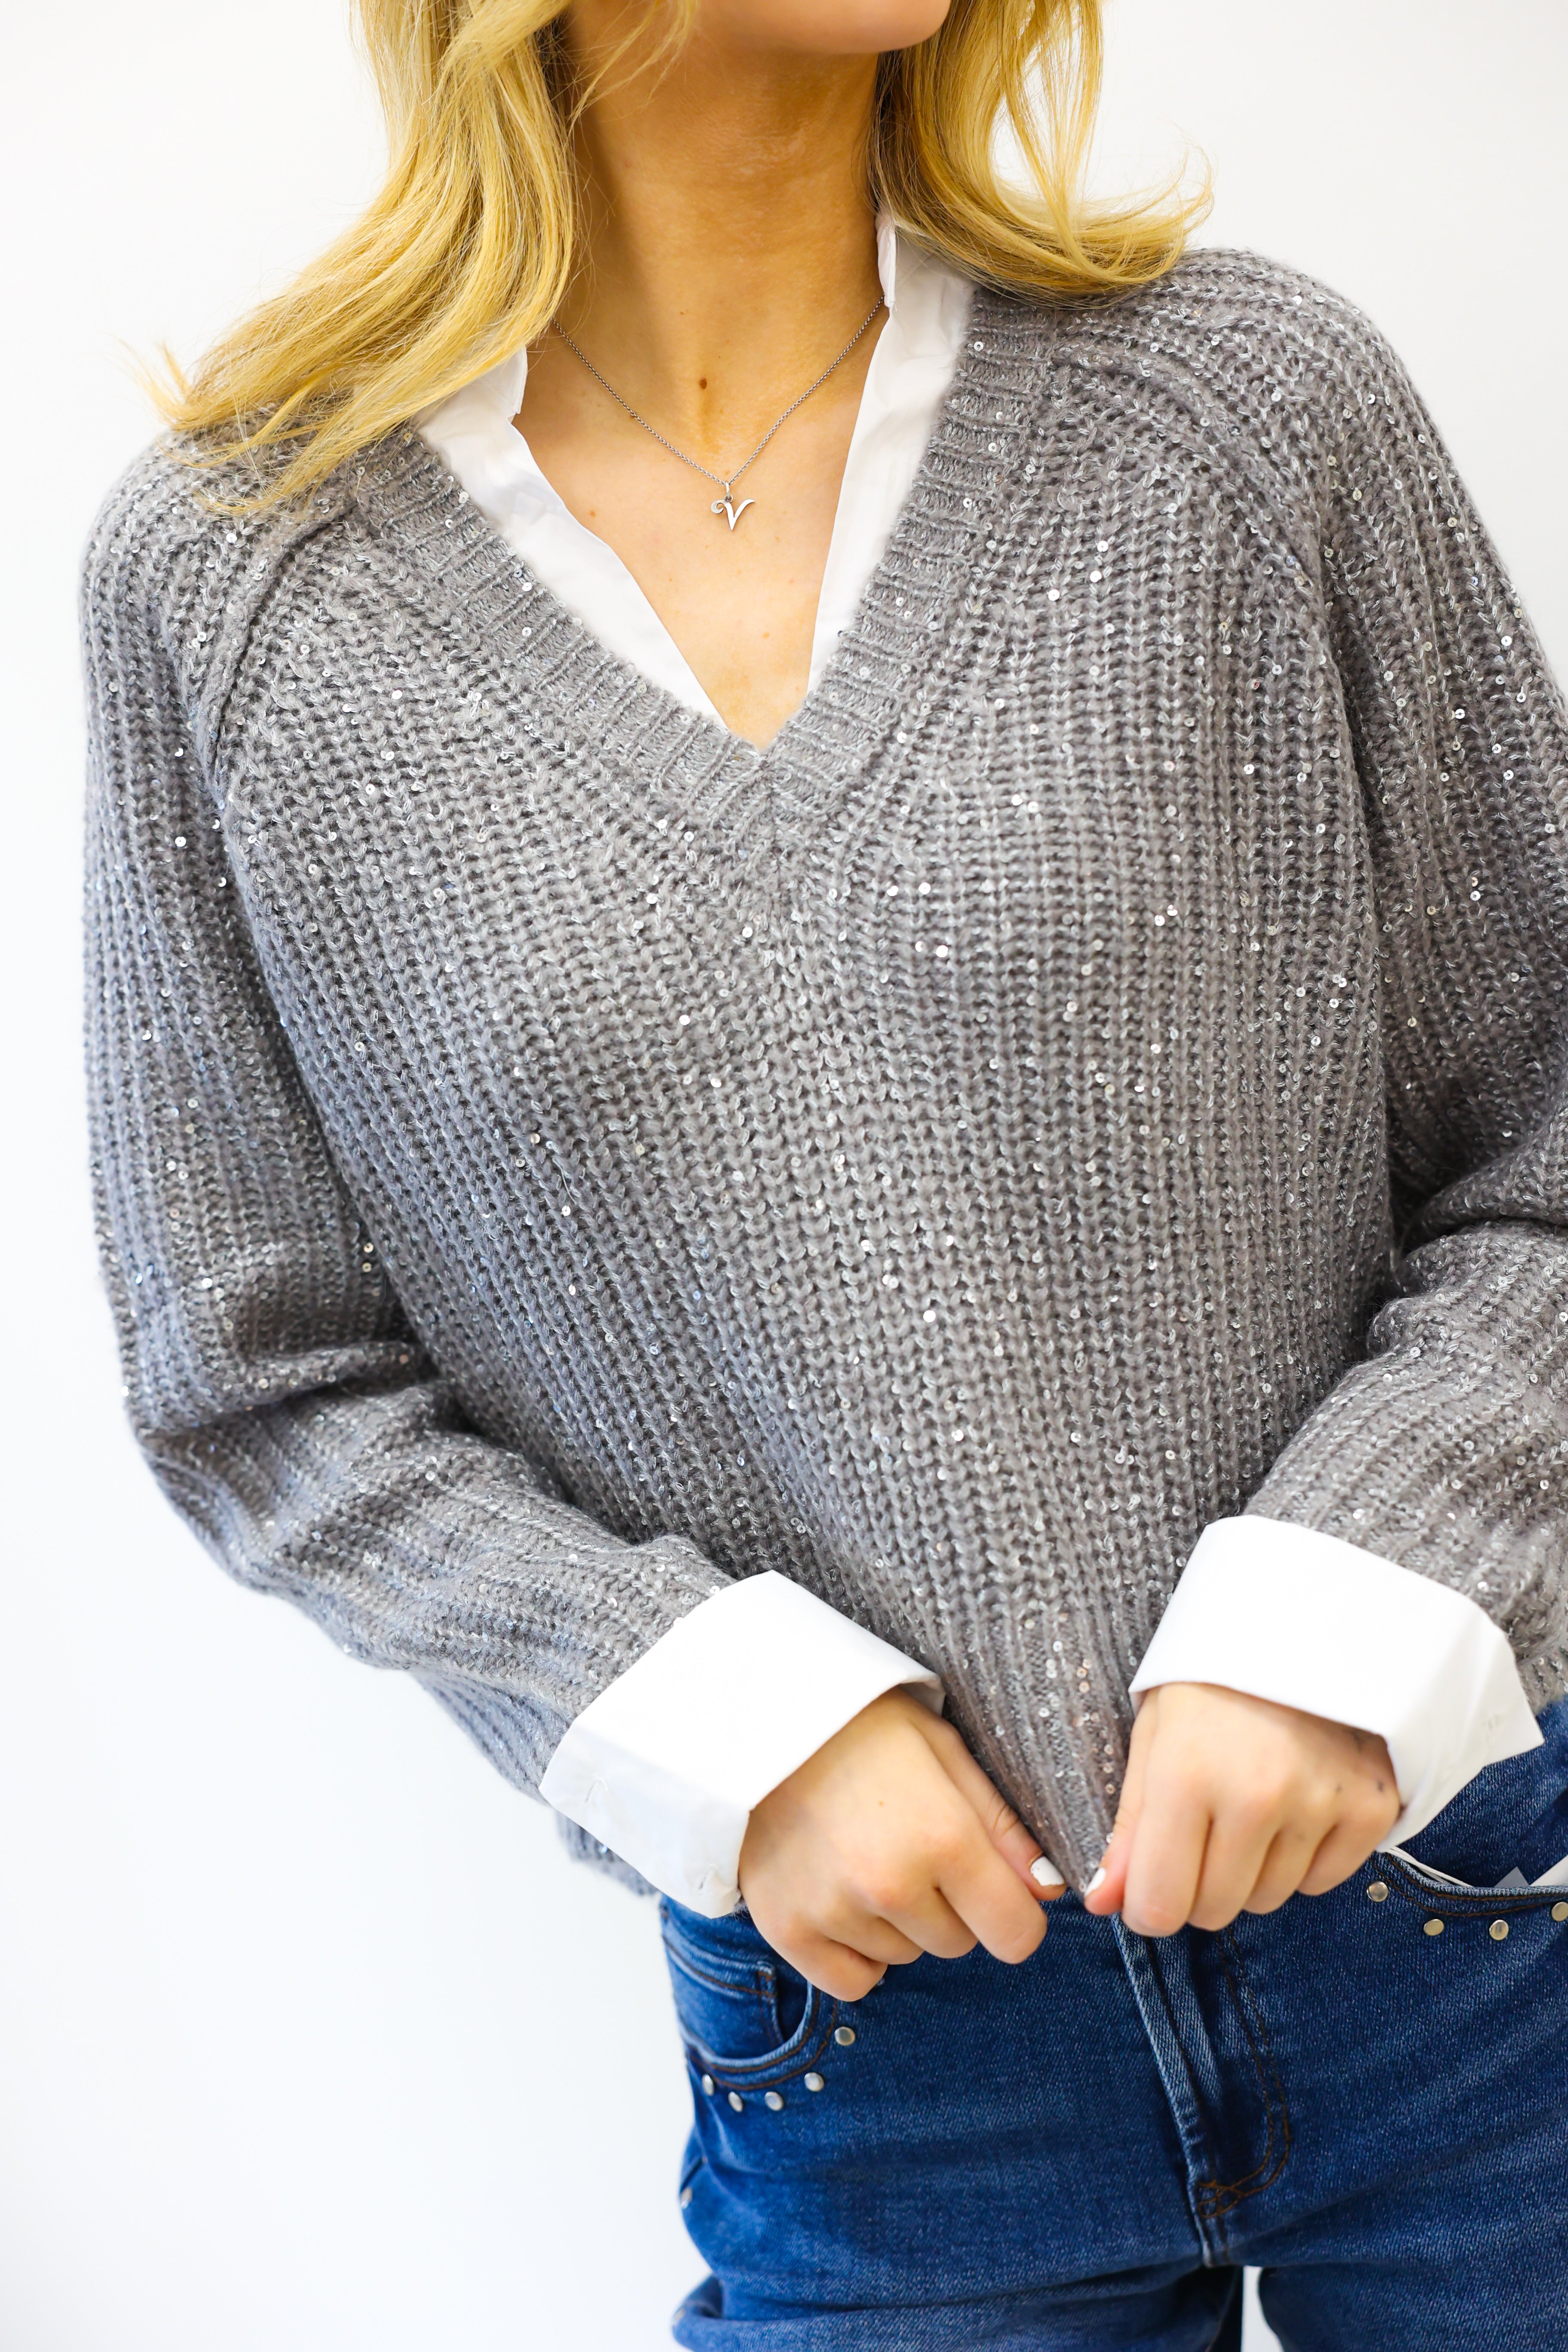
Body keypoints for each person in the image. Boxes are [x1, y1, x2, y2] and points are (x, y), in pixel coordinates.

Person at [81, 0, 1568, 2341]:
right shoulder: (240, 581)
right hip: (886, 2067)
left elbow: (1546, 1136)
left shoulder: (1256, 418)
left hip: (1480, 1938)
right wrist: (726, 1730)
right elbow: (260, 1379)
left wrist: (1357, 1611)